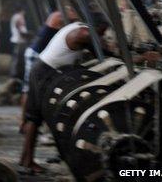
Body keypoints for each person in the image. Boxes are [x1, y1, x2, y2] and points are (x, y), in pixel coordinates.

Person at [20, 12, 109, 173]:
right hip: (45, 72)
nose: (103, 34)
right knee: (36, 117)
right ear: (96, 27)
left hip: (41, 68)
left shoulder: (78, 27)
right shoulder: (84, 33)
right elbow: (103, 53)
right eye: (103, 30)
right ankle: (28, 161)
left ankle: (25, 159)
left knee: (34, 117)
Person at [9, 8, 29, 82]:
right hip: (19, 40)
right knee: (18, 58)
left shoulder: (14, 16)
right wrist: (24, 34)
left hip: (16, 39)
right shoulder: (19, 16)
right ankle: (15, 76)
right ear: (22, 10)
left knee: (15, 58)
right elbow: (19, 26)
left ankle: (14, 75)